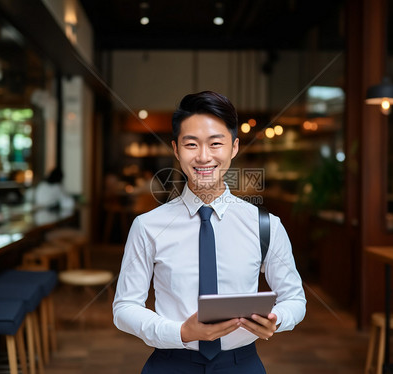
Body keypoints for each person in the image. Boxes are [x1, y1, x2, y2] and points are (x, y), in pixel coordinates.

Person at [112, 91, 306, 373]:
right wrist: (181, 332)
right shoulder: (147, 226)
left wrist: (277, 318)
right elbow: (124, 308)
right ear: (176, 150)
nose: (204, 157)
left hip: (242, 364)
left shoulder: (265, 225)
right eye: (192, 144)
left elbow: (295, 299)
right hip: (171, 363)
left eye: (216, 144)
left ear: (234, 147)